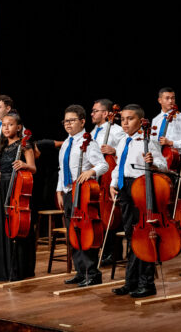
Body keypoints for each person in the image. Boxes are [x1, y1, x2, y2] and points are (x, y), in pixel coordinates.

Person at [110, 104, 168, 298]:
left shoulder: (147, 140)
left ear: (140, 120)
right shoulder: (122, 141)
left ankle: (147, 283)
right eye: (123, 119)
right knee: (130, 236)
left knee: (143, 237)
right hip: (125, 188)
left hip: (141, 188)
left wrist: (154, 163)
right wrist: (113, 183)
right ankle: (130, 281)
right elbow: (119, 165)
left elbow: (163, 164)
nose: (125, 122)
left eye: (130, 119)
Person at [56, 104, 108, 287]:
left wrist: (91, 172)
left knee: (86, 232)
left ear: (82, 121)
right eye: (65, 121)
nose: (68, 124)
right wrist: (59, 191)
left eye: (72, 120)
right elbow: (62, 170)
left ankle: (92, 273)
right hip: (69, 192)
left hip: (84, 193)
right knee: (74, 233)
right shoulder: (66, 144)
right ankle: (80, 271)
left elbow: (103, 165)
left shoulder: (88, 142)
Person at [0, 111, 36, 281]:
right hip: (3, 189)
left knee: (16, 227)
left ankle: (18, 268)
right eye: (3, 125)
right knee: (3, 227)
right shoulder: (2, 147)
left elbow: (33, 168)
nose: (6, 128)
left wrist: (24, 164)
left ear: (18, 127)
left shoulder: (24, 145)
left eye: (10, 125)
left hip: (17, 187)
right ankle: (3, 269)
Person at [90, 98, 125, 266]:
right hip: (97, 179)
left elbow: (127, 150)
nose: (92, 113)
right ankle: (101, 250)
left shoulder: (117, 130)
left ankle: (114, 252)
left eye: (95, 111)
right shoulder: (93, 132)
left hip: (110, 178)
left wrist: (114, 150)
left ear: (105, 113)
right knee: (99, 216)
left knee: (111, 217)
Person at [151, 87, 181, 158]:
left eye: (173, 98)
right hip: (159, 158)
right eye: (167, 98)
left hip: (177, 158)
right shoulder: (155, 120)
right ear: (160, 100)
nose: (171, 101)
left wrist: (171, 143)